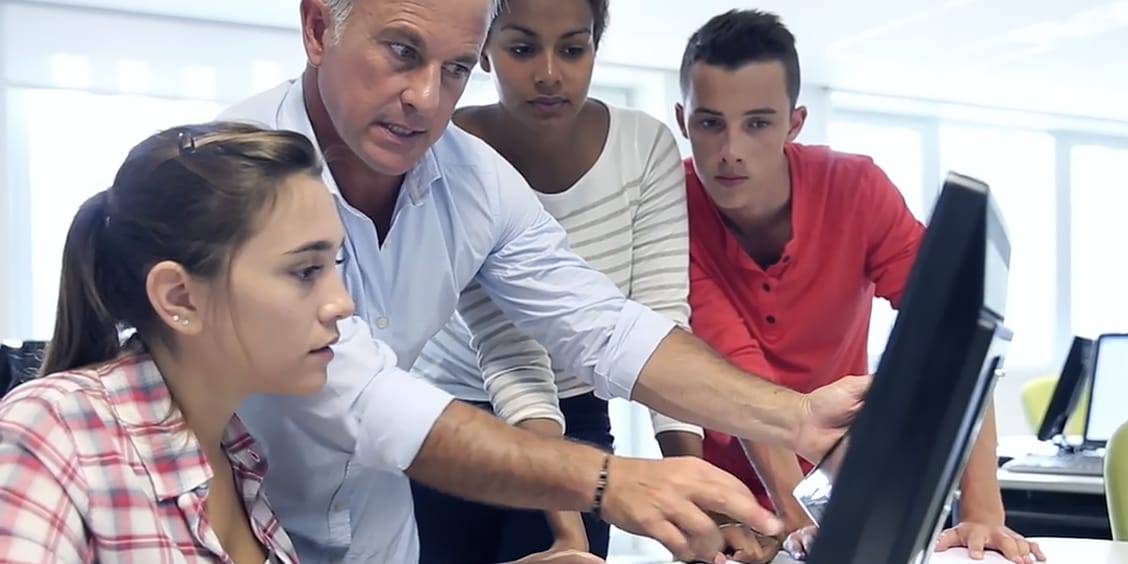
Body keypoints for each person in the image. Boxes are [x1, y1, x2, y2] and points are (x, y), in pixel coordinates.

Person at [222, 1, 869, 562]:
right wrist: (604, 479)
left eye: (453, 68)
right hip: (237, 531)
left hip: (380, 535)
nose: (426, 96)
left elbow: (600, 324)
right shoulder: (230, 169)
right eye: (401, 52)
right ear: (316, 28)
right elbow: (361, 396)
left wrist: (798, 416)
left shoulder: (473, 176)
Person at [674, 9, 1046, 564]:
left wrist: (983, 510)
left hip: (844, 481)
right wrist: (793, 522)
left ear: (794, 122)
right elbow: (738, 368)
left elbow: (954, 329)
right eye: (710, 123)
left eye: (757, 123)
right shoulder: (671, 208)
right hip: (727, 497)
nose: (731, 149)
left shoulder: (856, 189)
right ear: (683, 120)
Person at [409, 0, 703, 561]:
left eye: (573, 48)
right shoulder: (447, 152)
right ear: (485, 53)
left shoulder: (644, 148)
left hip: (577, 408)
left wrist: (693, 496)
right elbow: (511, 353)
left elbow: (662, 323)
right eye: (522, 48)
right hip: (449, 417)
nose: (549, 72)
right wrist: (566, 534)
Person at [0, 122, 354, 562]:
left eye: (336, 262)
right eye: (306, 271)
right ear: (179, 297)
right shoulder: (52, 434)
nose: (342, 303)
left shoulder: (238, 456)